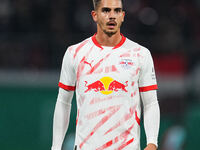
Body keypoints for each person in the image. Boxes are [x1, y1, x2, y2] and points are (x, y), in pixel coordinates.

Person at [51, 0, 160, 149]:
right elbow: (64, 102)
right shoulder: (74, 53)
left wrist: (152, 143)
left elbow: (151, 103)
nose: (112, 16)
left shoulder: (140, 54)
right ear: (95, 15)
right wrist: (55, 147)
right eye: (106, 10)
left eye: (117, 11)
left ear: (123, 16)